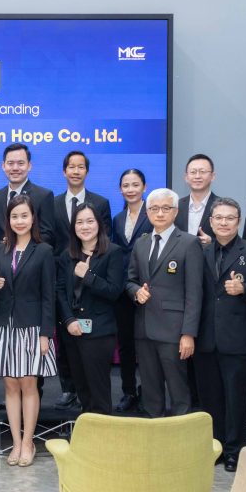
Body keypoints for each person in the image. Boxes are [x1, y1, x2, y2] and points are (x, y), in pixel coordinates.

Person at [192, 198, 246, 471]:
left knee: (236, 399)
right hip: (205, 338)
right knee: (210, 399)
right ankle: (216, 447)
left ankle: (235, 450)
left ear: (239, 221)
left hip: (238, 339)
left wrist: (244, 289)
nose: (224, 223)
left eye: (230, 218)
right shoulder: (200, 251)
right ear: (210, 222)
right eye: (219, 218)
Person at [0, 195, 56, 466]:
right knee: (10, 386)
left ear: (33, 218)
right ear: (8, 220)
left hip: (31, 328)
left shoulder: (44, 251)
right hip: (4, 326)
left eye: (24, 215)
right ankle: (15, 442)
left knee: (28, 384)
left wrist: (45, 333)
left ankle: (28, 442)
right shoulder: (1, 250)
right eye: (14, 216)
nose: (19, 221)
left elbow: (49, 296)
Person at [124, 188, 203, 417]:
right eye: (154, 208)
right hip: (144, 329)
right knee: (150, 392)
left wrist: (188, 333)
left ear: (175, 211)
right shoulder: (141, 243)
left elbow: (194, 292)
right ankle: (154, 435)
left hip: (174, 332)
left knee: (179, 392)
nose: (160, 213)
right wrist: (136, 292)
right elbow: (129, 280)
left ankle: (181, 437)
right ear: (147, 212)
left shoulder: (189, 243)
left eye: (166, 208)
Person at [52, 150, 112, 409]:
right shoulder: (52, 203)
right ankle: (68, 388)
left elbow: (106, 240)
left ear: (86, 171)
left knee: (93, 357)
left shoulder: (101, 202)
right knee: (67, 339)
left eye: (80, 167)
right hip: (62, 273)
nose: (75, 171)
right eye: (71, 167)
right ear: (64, 171)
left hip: (93, 279)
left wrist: (89, 272)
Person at [56, 203, 126, 415]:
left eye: (90, 221)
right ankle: (88, 430)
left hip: (99, 332)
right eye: (79, 222)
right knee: (82, 388)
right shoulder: (67, 255)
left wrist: (88, 276)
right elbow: (60, 291)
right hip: (72, 331)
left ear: (99, 224)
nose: (84, 226)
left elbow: (114, 291)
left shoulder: (113, 252)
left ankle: (104, 431)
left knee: (98, 389)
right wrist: (69, 320)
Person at [111, 168, 152, 413]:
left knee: (147, 344)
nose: (130, 189)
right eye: (126, 185)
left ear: (144, 187)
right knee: (125, 344)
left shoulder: (153, 214)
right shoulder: (117, 219)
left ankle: (148, 392)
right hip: (122, 290)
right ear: (120, 189)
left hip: (147, 289)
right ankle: (129, 391)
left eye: (135, 185)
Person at [0, 142, 55, 247]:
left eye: (20, 163)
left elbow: (47, 236)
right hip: (1, 256)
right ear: (3, 166)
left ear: (29, 166)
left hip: (32, 256)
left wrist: (19, 244)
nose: (15, 168)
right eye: (10, 163)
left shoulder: (44, 196)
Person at [174, 153, 219, 245]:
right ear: (186, 177)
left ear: (212, 176)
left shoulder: (222, 206)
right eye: (193, 172)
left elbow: (231, 240)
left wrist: (212, 242)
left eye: (202, 172)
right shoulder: (176, 206)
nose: (197, 176)